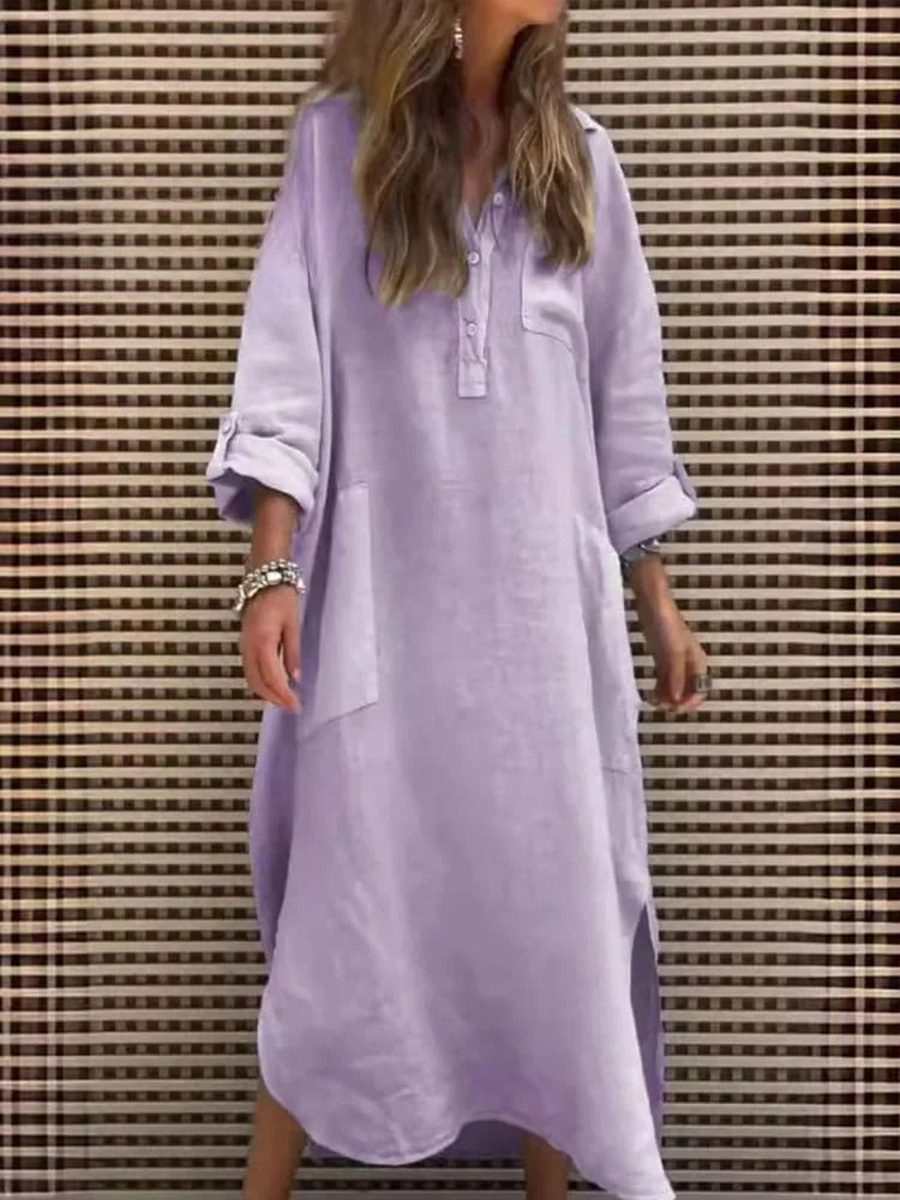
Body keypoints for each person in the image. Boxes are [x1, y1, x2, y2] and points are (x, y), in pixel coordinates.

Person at [204, 2, 711, 1198]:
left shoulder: (581, 162)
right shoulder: (339, 149)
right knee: (343, 929)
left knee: (552, 926)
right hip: (383, 617)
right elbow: (284, 378)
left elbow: (624, 400)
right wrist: (272, 572)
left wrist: (657, 597)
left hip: (545, 635)